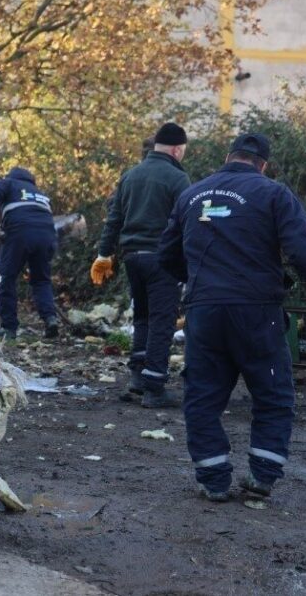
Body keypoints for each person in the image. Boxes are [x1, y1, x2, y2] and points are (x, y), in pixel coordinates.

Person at [158, 132, 306, 502]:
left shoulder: (192, 195)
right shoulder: (273, 194)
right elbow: (303, 250)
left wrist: (198, 284)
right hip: (257, 312)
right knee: (272, 394)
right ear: (263, 165)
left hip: (204, 312)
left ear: (228, 156)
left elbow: (167, 256)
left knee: (203, 397)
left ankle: (213, 479)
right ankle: (262, 476)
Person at [91, 122, 191, 408]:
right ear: (176, 149)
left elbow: (114, 219)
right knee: (163, 321)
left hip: (131, 258)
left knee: (143, 317)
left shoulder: (130, 176)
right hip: (162, 259)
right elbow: (187, 223)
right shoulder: (177, 178)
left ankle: (137, 376)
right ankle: (155, 386)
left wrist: (103, 254)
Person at [0, 167, 59, 339]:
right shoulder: (40, 193)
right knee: (41, 280)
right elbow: (35, 217)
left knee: (6, 279)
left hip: (20, 233)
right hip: (47, 235)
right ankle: (50, 319)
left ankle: (9, 328)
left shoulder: (9, 183)